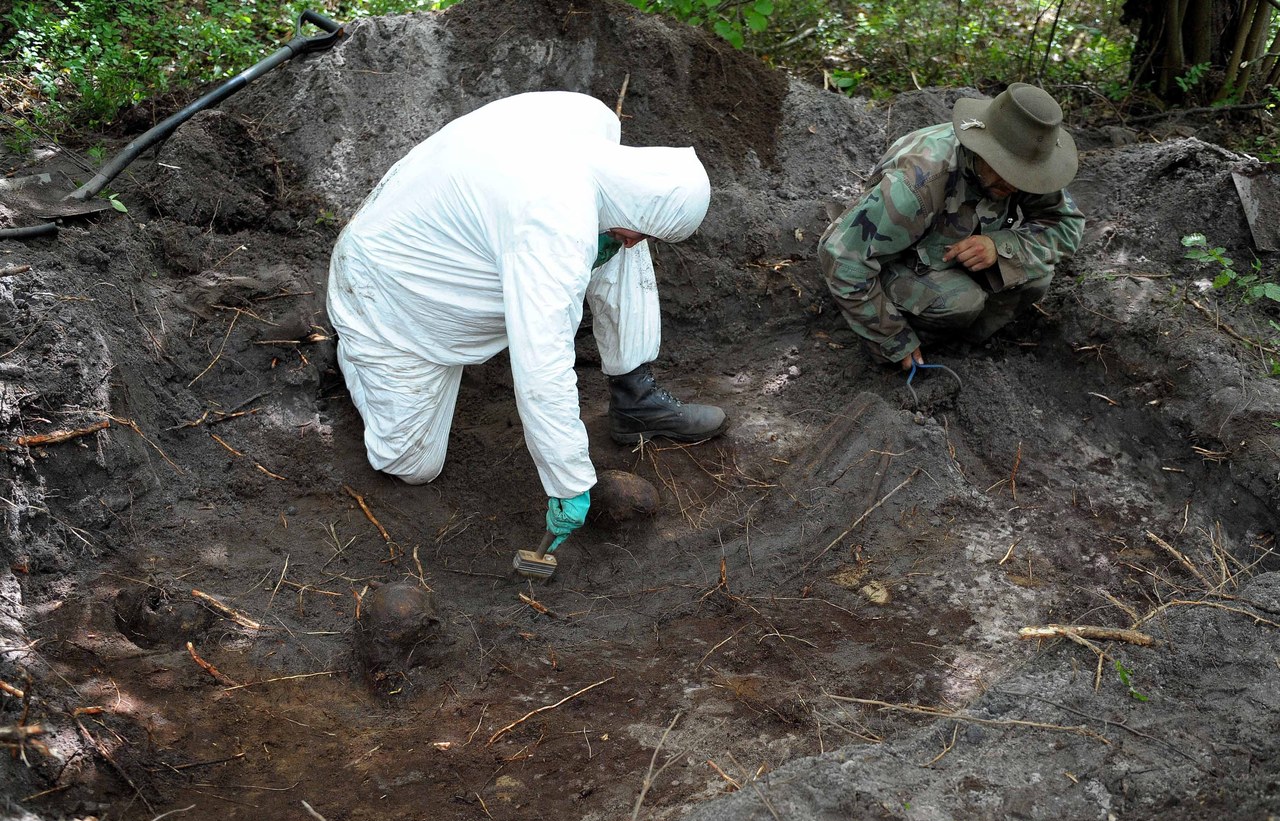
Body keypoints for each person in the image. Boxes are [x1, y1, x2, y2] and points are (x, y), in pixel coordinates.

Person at [326, 91, 727, 551]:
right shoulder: (552, 223)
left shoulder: (591, 125)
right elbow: (541, 368)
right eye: (643, 232)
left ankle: (635, 396)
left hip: (459, 237)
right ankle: (357, 350)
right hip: (391, 294)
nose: (637, 244)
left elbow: (615, 230)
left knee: (618, 237)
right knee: (411, 464)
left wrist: (603, 246)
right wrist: (569, 481)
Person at [818, 83, 1086, 369]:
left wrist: (1001, 246)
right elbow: (840, 256)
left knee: (1036, 278)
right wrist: (893, 338)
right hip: (897, 259)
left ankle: (958, 345)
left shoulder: (1027, 166)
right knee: (961, 303)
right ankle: (913, 339)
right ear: (983, 149)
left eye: (1024, 176)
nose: (1017, 184)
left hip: (952, 249)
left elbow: (1067, 226)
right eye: (1007, 171)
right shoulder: (916, 183)